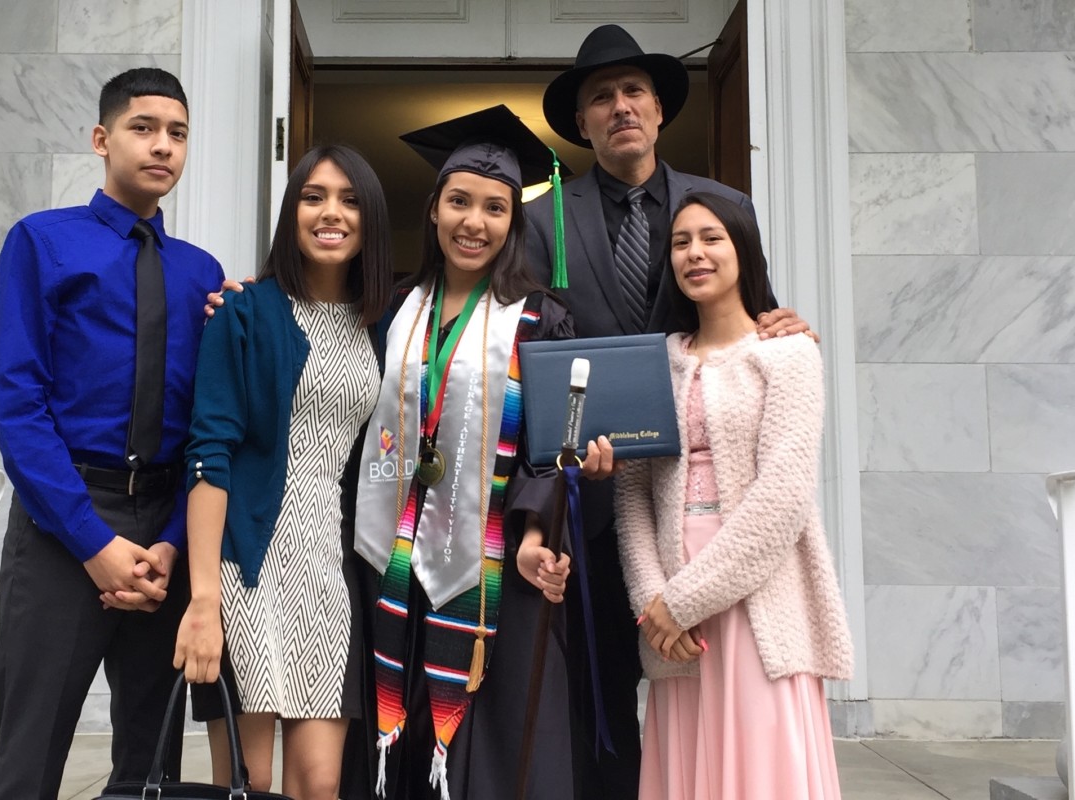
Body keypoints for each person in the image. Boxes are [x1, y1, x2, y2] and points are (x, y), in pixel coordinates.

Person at [523, 24, 813, 797]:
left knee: (716, 712)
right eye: (600, 98)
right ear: (580, 122)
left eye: (633, 91)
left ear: (658, 109)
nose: (620, 107)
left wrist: (786, 323)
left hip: (707, 518)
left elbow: (755, 315)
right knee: (599, 704)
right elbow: (521, 350)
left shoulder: (716, 210)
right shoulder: (540, 220)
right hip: (588, 497)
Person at [346, 105, 606, 800]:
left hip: (493, 567)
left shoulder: (540, 319)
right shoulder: (390, 310)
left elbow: (552, 448)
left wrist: (527, 533)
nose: (475, 222)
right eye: (459, 201)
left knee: (490, 744)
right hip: (388, 557)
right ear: (433, 209)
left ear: (512, 221)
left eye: (495, 207)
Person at [0, 68, 224, 799]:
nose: (163, 146)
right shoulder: (41, 241)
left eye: (178, 134)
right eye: (143, 128)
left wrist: (174, 543)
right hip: (65, 524)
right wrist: (93, 544)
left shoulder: (202, 274)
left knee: (149, 768)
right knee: (30, 759)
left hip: (162, 533)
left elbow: (205, 428)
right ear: (102, 138)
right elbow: (18, 408)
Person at [615, 191, 853, 799]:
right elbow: (632, 493)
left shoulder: (788, 354)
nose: (696, 253)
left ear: (743, 247)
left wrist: (684, 602)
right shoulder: (655, 362)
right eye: (681, 242)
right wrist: (652, 605)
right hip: (672, 613)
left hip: (757, 600)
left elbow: (783, 498)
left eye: (712, 237)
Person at [174, 143, 395, 799]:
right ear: (291, 213)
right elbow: (208, 457)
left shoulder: (380, 326)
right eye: (314, 196)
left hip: (330, 569)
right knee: (252, 781)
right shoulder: (244, 312)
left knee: (321, 782)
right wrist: (204, 599)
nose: (332, 213)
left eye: (350, 200)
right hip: (248, 566)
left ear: (371, 220)